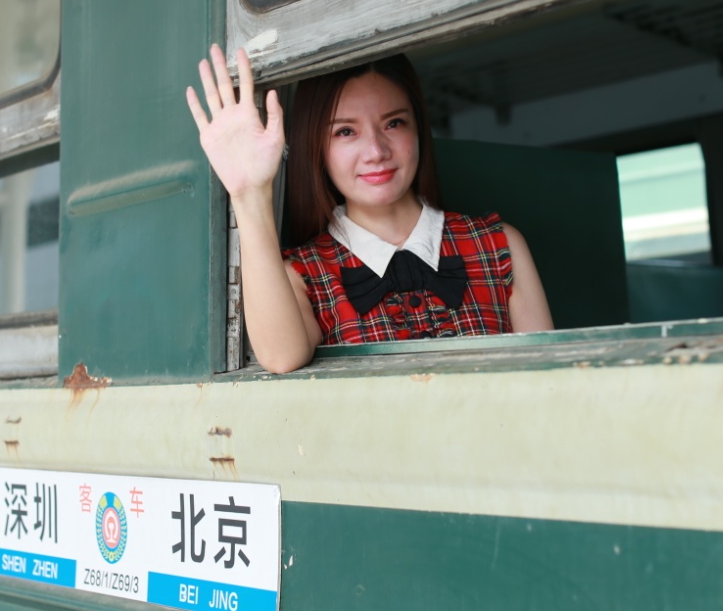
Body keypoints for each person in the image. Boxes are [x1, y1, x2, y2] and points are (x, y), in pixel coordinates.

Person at [186, 45, 552, 373]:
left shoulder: (499, 245)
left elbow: (548, 380)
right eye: (346, 132)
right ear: (317, 146)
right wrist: (249, 191)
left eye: (394, 123)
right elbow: (282, 357)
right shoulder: (302, 275)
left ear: (418, 129)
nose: (376, 151)